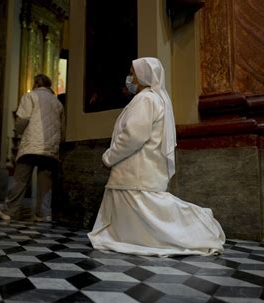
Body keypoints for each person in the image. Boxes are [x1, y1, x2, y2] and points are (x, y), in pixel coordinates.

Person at [88, 57, 225, 257]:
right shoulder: (153, 98)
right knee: (148, 217)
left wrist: (109, 157)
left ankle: (201, 225)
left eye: (133, 74)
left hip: (135, 169)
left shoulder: (146, 99)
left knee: (154, 217)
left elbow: (133, 136)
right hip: (136, 170)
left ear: (144, 76)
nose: (130, 78)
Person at [0, 74, 64, 221]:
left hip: (32, 143)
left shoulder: (30, 96)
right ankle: (43, 213)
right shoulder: (58, 103)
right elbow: (62, 127)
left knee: (21, 178)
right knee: (45, 180)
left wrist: (19, 130)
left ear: (36, 83)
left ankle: (9, 210)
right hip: (51, 146)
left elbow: (22, 120)